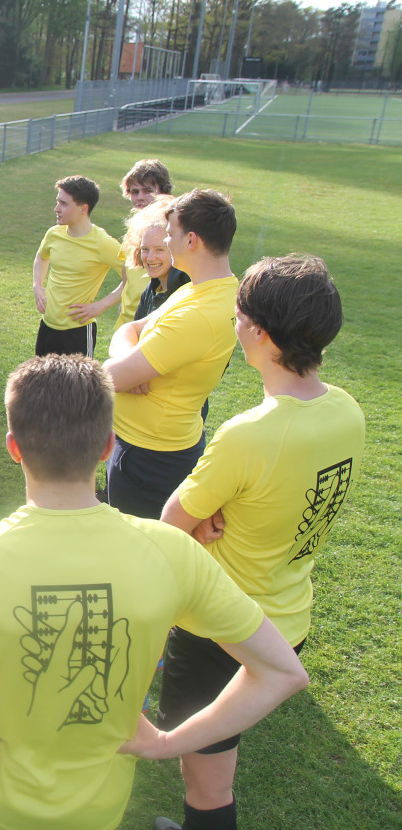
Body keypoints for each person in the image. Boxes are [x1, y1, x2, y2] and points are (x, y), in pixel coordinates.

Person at [0, 354, 309, 830]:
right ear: (107, 446)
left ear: (13, 447)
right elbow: (281, 671)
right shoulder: (170, 552)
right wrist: (168, 743)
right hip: (98, 811)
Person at [152, 255, 364, 830]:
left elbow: (170, 523)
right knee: (219, 754)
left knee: (207, 787)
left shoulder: (248, 434)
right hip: (286, 625)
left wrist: (201, 520)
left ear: (257, 331)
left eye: (238, 312)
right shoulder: (347, 410)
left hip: (219, 632)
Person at [103, 189, 238, 520]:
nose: (165, 239)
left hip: (148, 458)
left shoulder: (196, 313)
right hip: (153, 446)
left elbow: (111, 377)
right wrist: (131, 359)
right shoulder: (201, 289)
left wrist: (122, 367)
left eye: (170, 233)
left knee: (137, 552)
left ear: (191, 240)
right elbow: (129, 329)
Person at [32, 175, 124, 358]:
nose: (56, 209)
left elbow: (134, 276)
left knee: (76, 386)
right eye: (57, 202)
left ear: (83, 209)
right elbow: (41, 258)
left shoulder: (103, 243)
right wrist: (38, 285)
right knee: (42, 385)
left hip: (78, 331)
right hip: (47, 326)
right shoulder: (54, 233)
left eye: (64, 204)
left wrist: (101, 306)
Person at [114, 159, 173, 330]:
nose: (139, 197)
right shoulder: (134, 227)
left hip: (155, 324)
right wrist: (125, 299)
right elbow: (128, 270)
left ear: (163, 190)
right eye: (134, 191)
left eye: (148, 191)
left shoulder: (174, 227)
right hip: (127, 322)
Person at [125, 196, 189, 321]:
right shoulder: (153, 287)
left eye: (160, 250)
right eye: (145, 249)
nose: (150, 258)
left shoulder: (185, 290)